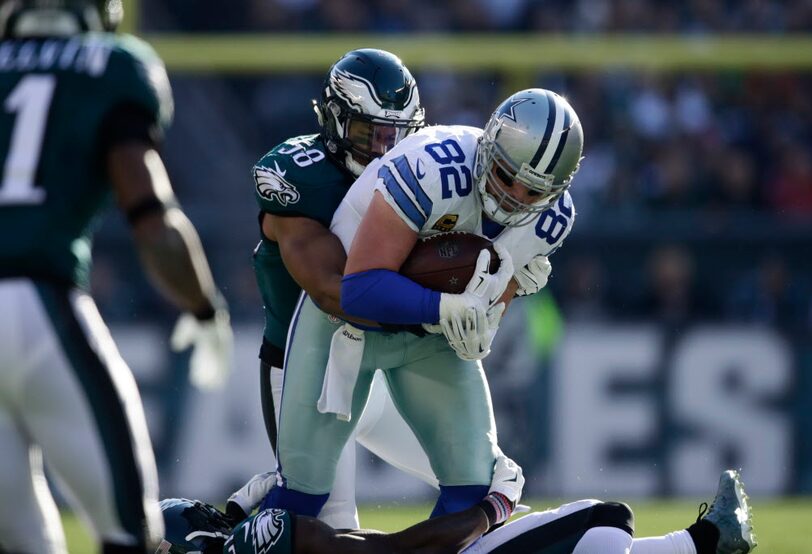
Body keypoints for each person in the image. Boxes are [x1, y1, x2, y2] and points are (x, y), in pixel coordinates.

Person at [262, 88, 576, 519]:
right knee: (301, 502)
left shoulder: (552, 218)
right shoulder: (433, 167)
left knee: (475, 489)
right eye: (506, 177)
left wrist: (488, 318)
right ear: (488, 148)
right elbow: (359, 288)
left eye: (534, 193)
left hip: (429, 339)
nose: (515, 199)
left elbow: (499, 285)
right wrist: (446, 308)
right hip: (344, 327)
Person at [0, 1, 232, 552]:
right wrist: (203, 307)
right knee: (131, 532)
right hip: (40, 306)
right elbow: (153, 221)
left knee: (19, 538)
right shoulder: (113, 64)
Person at [251, 47, 454, 528]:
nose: (385, 150)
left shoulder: (423, 174)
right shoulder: (299, 177)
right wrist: (439, 309)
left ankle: (257, 496)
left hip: (390, 367)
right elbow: (333, 290)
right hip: (308, 373)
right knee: (328, 527)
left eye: (397, 136)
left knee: (483, 481)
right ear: (334, 120)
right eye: (370, 134)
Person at [157, 468, 757, 554]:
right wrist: (492, 507)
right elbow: (397, 551)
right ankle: (709, 542)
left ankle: (708, 539)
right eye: (207, 515)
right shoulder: (264, 537)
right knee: (606, 523)